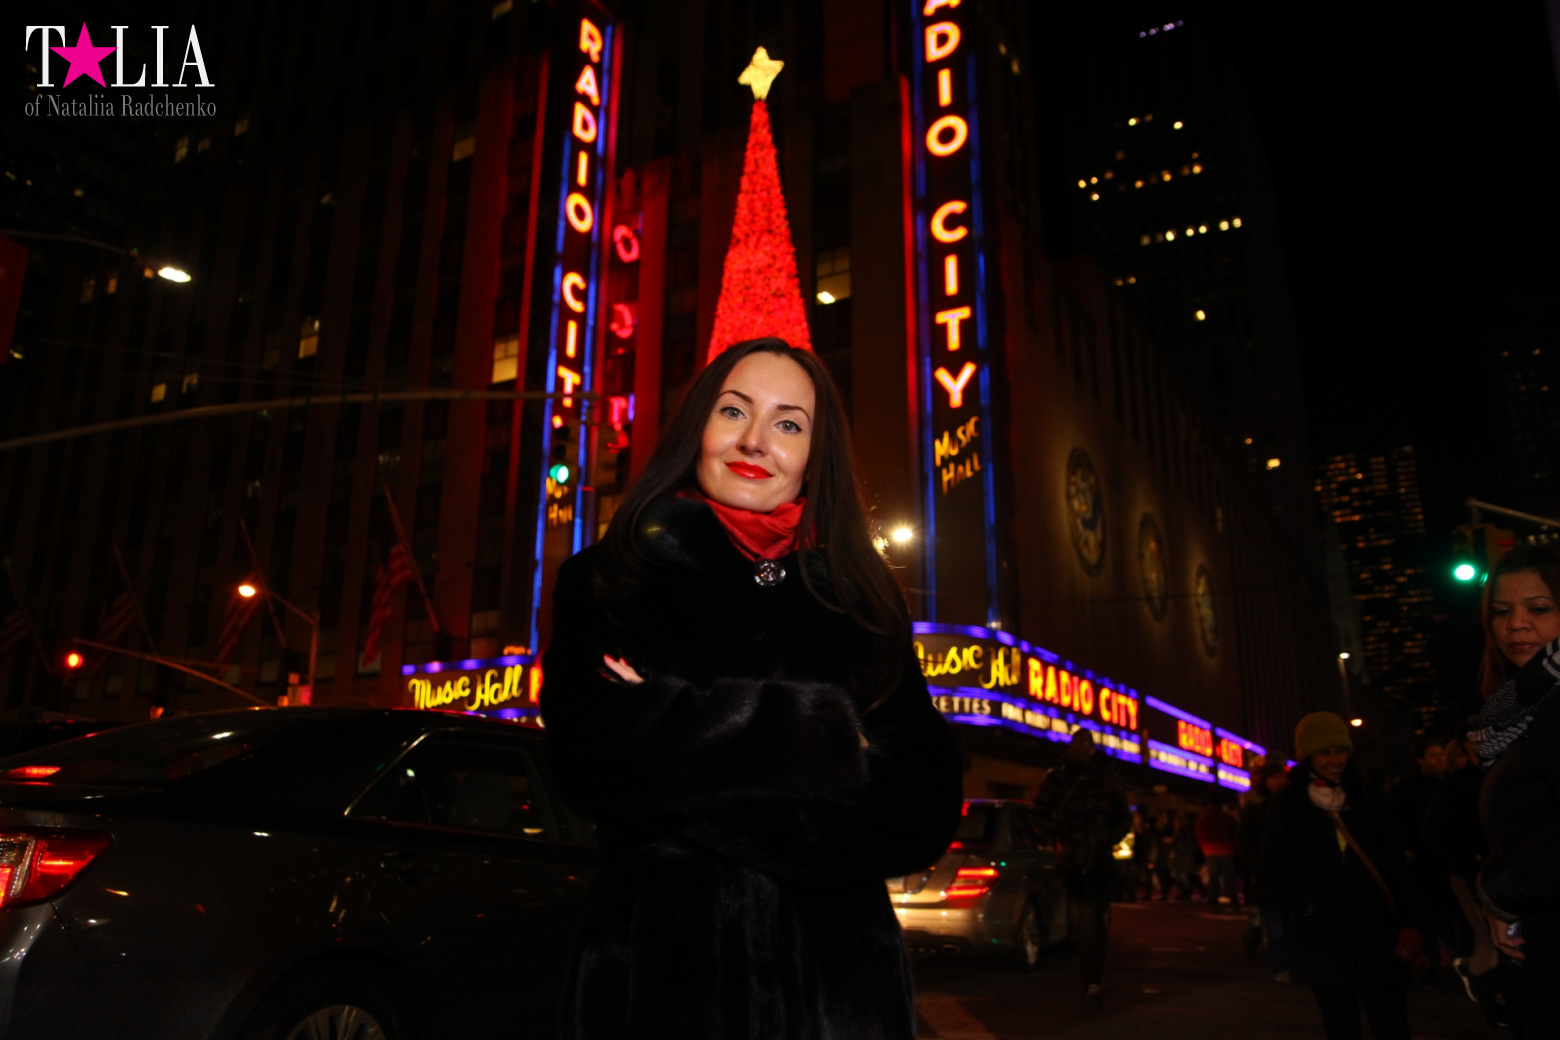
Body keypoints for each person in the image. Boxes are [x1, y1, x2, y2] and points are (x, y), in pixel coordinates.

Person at [539, 338, 964, 1040]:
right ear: (698, 427)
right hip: (662, 992)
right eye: (733, 411)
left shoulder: (859, 600)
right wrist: (827, 741)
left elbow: (923, 806)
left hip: (840, 1005)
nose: (755, 441)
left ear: (814, 458)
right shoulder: (612, 578)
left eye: (788, 423)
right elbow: (592, 767)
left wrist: (676, 730)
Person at [1260, 711, 1418, 1040]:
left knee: (1391, 1023)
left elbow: (1394, 862)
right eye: (1325, 752)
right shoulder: (1289, 802)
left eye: (1341, 751)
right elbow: (1273, 865)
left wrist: (1408, 921)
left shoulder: (1368, 796)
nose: (1335, 760)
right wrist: (1306, 905)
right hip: (1324, 936)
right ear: (1308, 756)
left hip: (1376, 931)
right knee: (1340, 1025)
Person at [1470, 546, 1560, 1040]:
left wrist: (1498, 889)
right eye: (1502, 611)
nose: (1516, 624)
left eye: (1539, 608)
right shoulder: (1523, 707)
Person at [1032, 728, 1132, 1010]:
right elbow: (1037, 813)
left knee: (1096, 920)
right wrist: (1062, 833)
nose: (1079, 751)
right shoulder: (1058, 778)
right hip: (1073, 858)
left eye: (1084, 746)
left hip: (1099, 858)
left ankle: (1093, 979)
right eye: (1075, 747)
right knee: (1083, 920)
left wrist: (1106, 837)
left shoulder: (1108, 778)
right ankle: (1092, 980)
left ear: (1091, 749)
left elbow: (1124, 818)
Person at [1241, 763, 1292, 980]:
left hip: (1289, 871)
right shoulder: (1255, 807)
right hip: (1267, 872)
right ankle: (1281, 966)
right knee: (1275, 921)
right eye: (1274, 777)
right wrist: (1255, 868)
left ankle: (1288, 962)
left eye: (1282, 777)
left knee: (1287, 920)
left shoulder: (1292, 803)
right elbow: (1247, 840)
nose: (1279, 782)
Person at [1196, 795, 1241, 912]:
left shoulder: (1203, 818)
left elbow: (1199, 835)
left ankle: (1213, 903)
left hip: (1210, 851)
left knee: (1213, 879)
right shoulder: (1227, 817)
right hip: (1226, 850)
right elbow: (1235, 834)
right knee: (1229, 879)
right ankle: (1234, 902)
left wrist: (1204, 848)